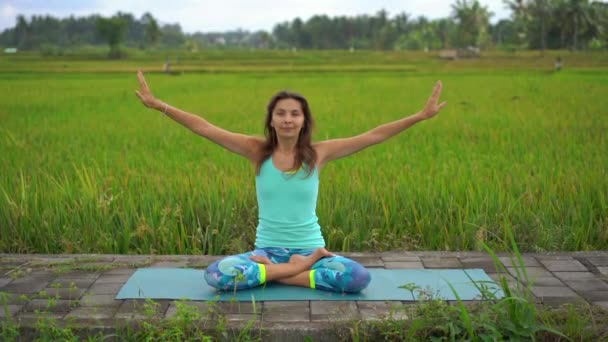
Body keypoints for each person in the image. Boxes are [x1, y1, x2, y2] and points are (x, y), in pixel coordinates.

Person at [135, 71, 447, 293]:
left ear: (303, 120)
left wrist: (419, 116)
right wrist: (159, 104)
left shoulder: (319, 154)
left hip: (311, 251)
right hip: (266, 253)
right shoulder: (257, 151)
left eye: (294, 114)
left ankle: (273, 275)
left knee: (358, 279)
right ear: (271, 120)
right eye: (281, 113)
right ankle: (294, 269)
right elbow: (204, 127)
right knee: (217, 276)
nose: (287, 119)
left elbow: (373, 135)